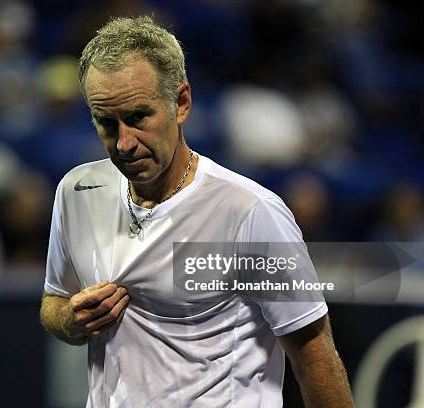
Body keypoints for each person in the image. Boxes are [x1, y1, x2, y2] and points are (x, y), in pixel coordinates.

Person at [39, 16, 353, 407]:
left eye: (139, 117)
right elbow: (54, 302)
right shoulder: (78, 190)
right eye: (106, 122)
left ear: (181, 102)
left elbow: (314, 356)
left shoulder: (252, 211)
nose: (123, 143)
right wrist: (71, 318)